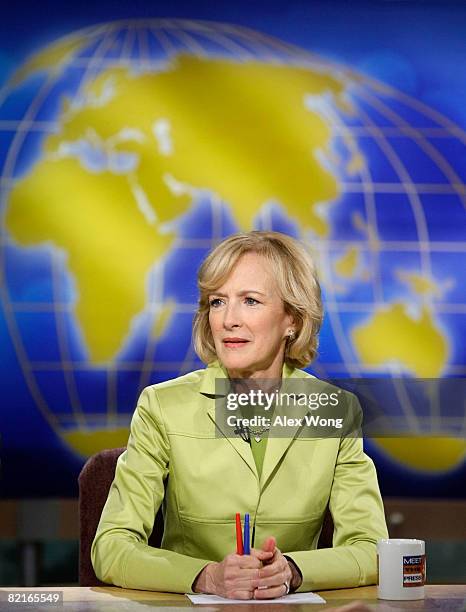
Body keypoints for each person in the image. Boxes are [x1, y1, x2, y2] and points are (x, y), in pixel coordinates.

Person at [91, 231, 388, 598]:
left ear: (292, 319)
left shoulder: (336, 411)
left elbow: (372, 549)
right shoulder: (162, 406)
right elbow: (111, 546)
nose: (228, 319)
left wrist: (293, 571)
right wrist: (205, 576)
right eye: (217, 302)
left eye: (250, 301)